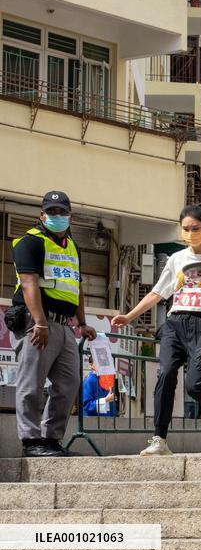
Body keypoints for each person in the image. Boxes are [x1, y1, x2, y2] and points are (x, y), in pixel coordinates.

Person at [112, 204, 201, 455]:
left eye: (196, 229)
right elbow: (158, 292)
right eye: (186, 229)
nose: (190, 233)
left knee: (196, 385)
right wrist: (129, 316)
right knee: (166, 373)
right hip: (176, 322)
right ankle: (159, 439)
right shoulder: (177, 259)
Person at [12, 191, 97, 457]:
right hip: (37, 323)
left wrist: (82, 322)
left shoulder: (72, 246)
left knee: (69, 383)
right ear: (42, 215)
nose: (57, 216)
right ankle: (30, 441)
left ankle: (51, 440)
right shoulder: (30, 242)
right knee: (31, 384)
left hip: (64, 326)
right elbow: (29, 284)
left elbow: (77, 288)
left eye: (62, 212)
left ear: (70, 216)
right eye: (52, 212)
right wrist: (39, 322)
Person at [81, 353, 117, 417]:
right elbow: (86, 406)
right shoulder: (89, 381)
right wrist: (106, 400)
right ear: (92, 365)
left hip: (108, 421)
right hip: (93, 422)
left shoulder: (106, 379)